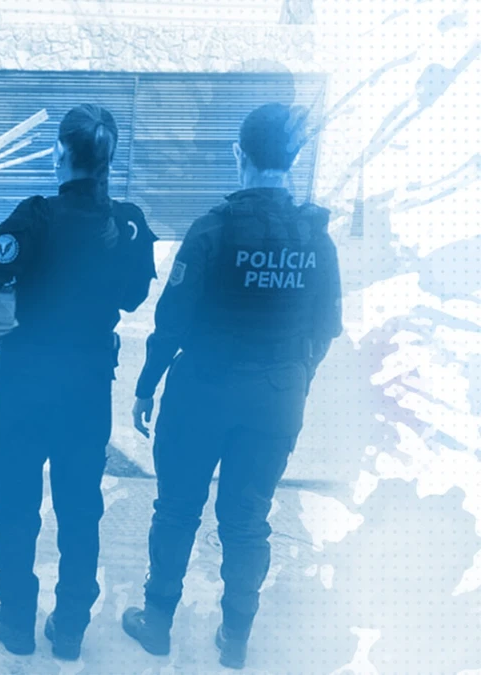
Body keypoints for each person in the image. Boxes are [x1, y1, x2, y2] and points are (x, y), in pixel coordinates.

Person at [0, 105, 158, 660]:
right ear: (108, 161)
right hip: (87, 391)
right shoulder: (128, 224)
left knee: (16, 503)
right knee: (80, 507)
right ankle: (71, 627)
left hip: (22, 387)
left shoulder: (35, 217)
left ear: (60, 154)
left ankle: (15, 619)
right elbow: (133, 297)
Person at [122, 103, 343, 670]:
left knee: (177, 510)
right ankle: (235, 638)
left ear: (238, 155)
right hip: (276, 398)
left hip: (201, 394)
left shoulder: (212, 230)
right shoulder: (317, 238)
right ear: (295, 158)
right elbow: (326, 327)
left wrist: (146, 385)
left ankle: (156, 623)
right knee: (247, 521)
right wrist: (296, 378)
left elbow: (171, 321)